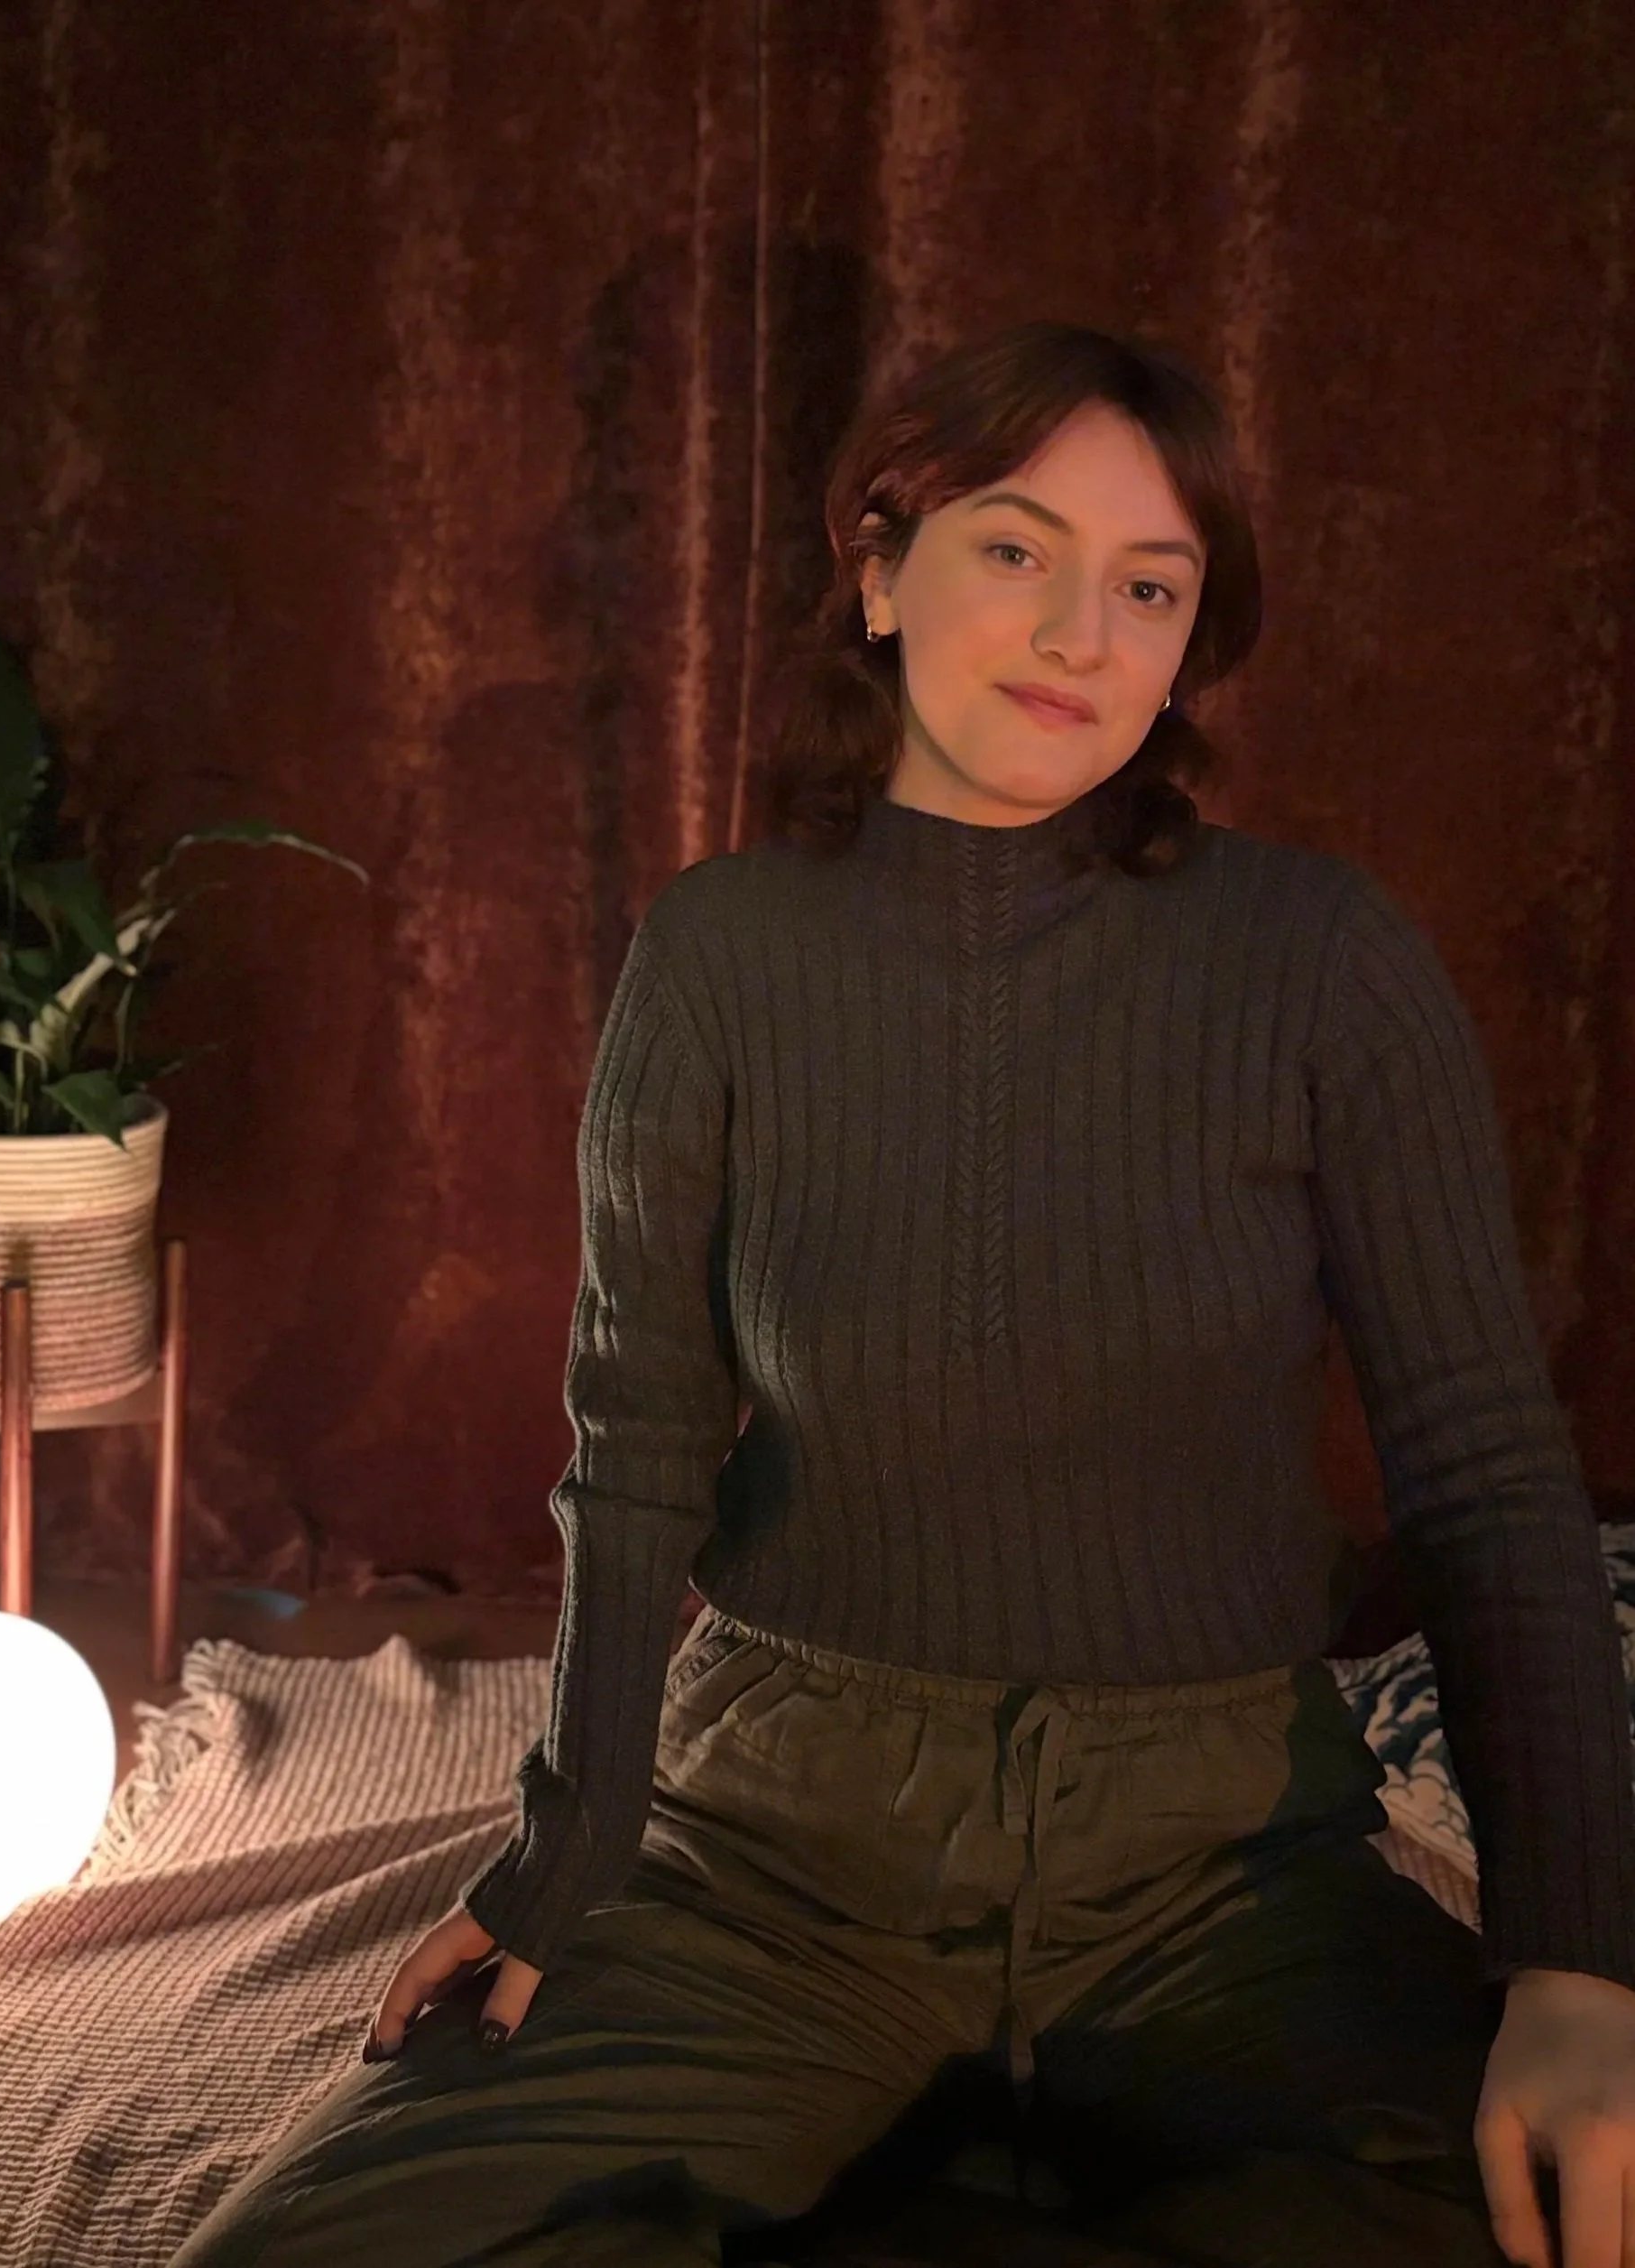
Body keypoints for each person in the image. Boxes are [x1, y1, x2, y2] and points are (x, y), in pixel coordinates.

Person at [171, 322, 1635, 2268]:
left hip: (1227, 1866)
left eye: (1151, 586)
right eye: (1016, 549)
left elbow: (1485, 1476)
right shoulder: (720, 954)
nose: (1081, 633)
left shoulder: (1322, 961)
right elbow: (638, 1442)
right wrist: (563, 1854)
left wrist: (1576, 1964)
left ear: (1193, 642)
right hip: (776, 1852)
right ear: (881, 567)